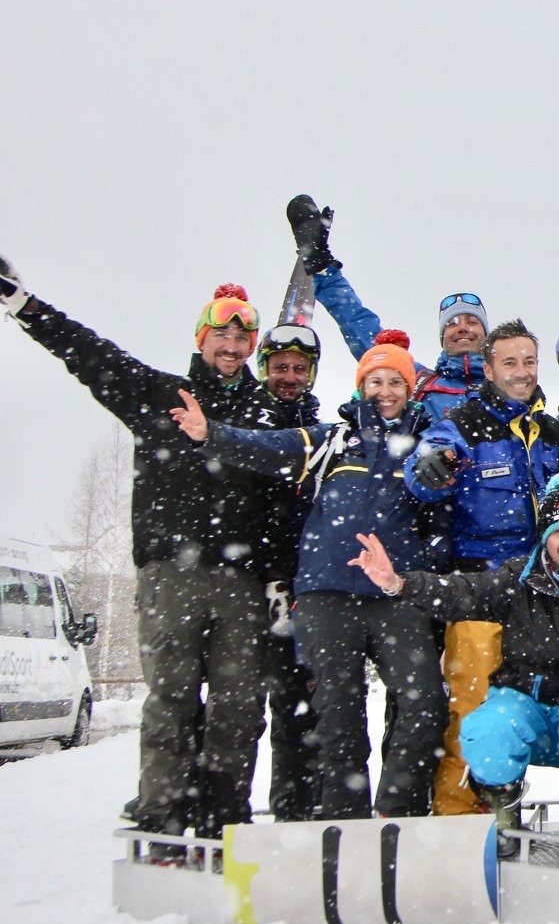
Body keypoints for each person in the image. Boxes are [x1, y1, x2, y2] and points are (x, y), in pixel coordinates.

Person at [2, 262, 277, 851]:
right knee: (172, 698)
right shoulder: (157, 394)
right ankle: (162, 815)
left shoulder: (267, 413)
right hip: (170, 576)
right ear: (201, 339)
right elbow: (87, 352)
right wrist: (23, 303)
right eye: (220, 336)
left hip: (242, 583)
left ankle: (223, 815)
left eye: (241, 338)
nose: (231, 347)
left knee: (238, 703)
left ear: (252, 346)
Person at [171, 330, 449, 819]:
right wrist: (209, 433)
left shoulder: (427, 444)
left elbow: (443, 520)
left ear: (410, 390)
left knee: (424, 703)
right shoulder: (331, 440)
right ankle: (343, 818)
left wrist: (428, 566)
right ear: (362, 386)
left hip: (395, 592)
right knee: (338, 717)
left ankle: (393, 813)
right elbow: (269, 447)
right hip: (327, 593)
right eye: (375, 381)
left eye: (395, 382)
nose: (385, 391)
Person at [349, 475, 559, 857]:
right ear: (545, 537)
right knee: (485, 726)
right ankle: (503, 808)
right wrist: (399, 584)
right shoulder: (517, 578)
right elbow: (460, 593)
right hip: (527, 708)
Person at [406, 318, 559, 814]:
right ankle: (458, 812)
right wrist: (432, 465)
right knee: (471, 706)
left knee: (527, 711)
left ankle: (507, 807)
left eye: (529, 361)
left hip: (543, 594)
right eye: (510, 362)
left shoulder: (552, 431)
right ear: (491, 368)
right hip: (480, 586)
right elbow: (425, 464)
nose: (521, 372)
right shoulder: (466, 421)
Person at [287, 194, 489, 419]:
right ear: (442, 338)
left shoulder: (508, 389)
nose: (462, 328)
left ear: (487, 336)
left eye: (472, 322)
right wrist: (322, 266)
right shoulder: (414, 379)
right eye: (452, 324)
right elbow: (360, 326)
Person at [249, 322, 326, 822]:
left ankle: (308, 805)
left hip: (310, 580)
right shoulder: (254, 423)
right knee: (265, 701)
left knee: (311, 700)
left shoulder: (322, 428)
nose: (291, 377)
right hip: (261, 577)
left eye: (300, 369)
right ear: (265, 371)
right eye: (281, 368)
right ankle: (279, 809)